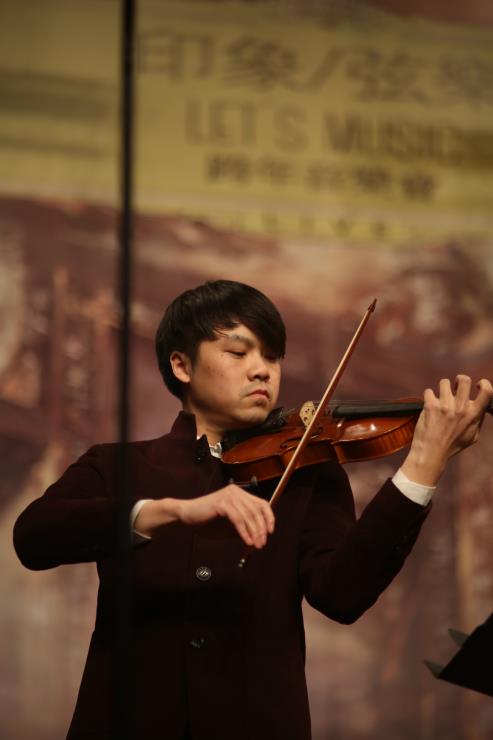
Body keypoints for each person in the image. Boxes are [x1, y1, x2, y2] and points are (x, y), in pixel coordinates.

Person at [13, 280, 492, 740]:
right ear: (182, 365)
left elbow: (343, 594)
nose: (263, 370)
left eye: (272, 356)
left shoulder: (307, 472)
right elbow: (33, 536)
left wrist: (425, 463)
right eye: (239, 353)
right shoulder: (115, 465)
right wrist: (170, 511)